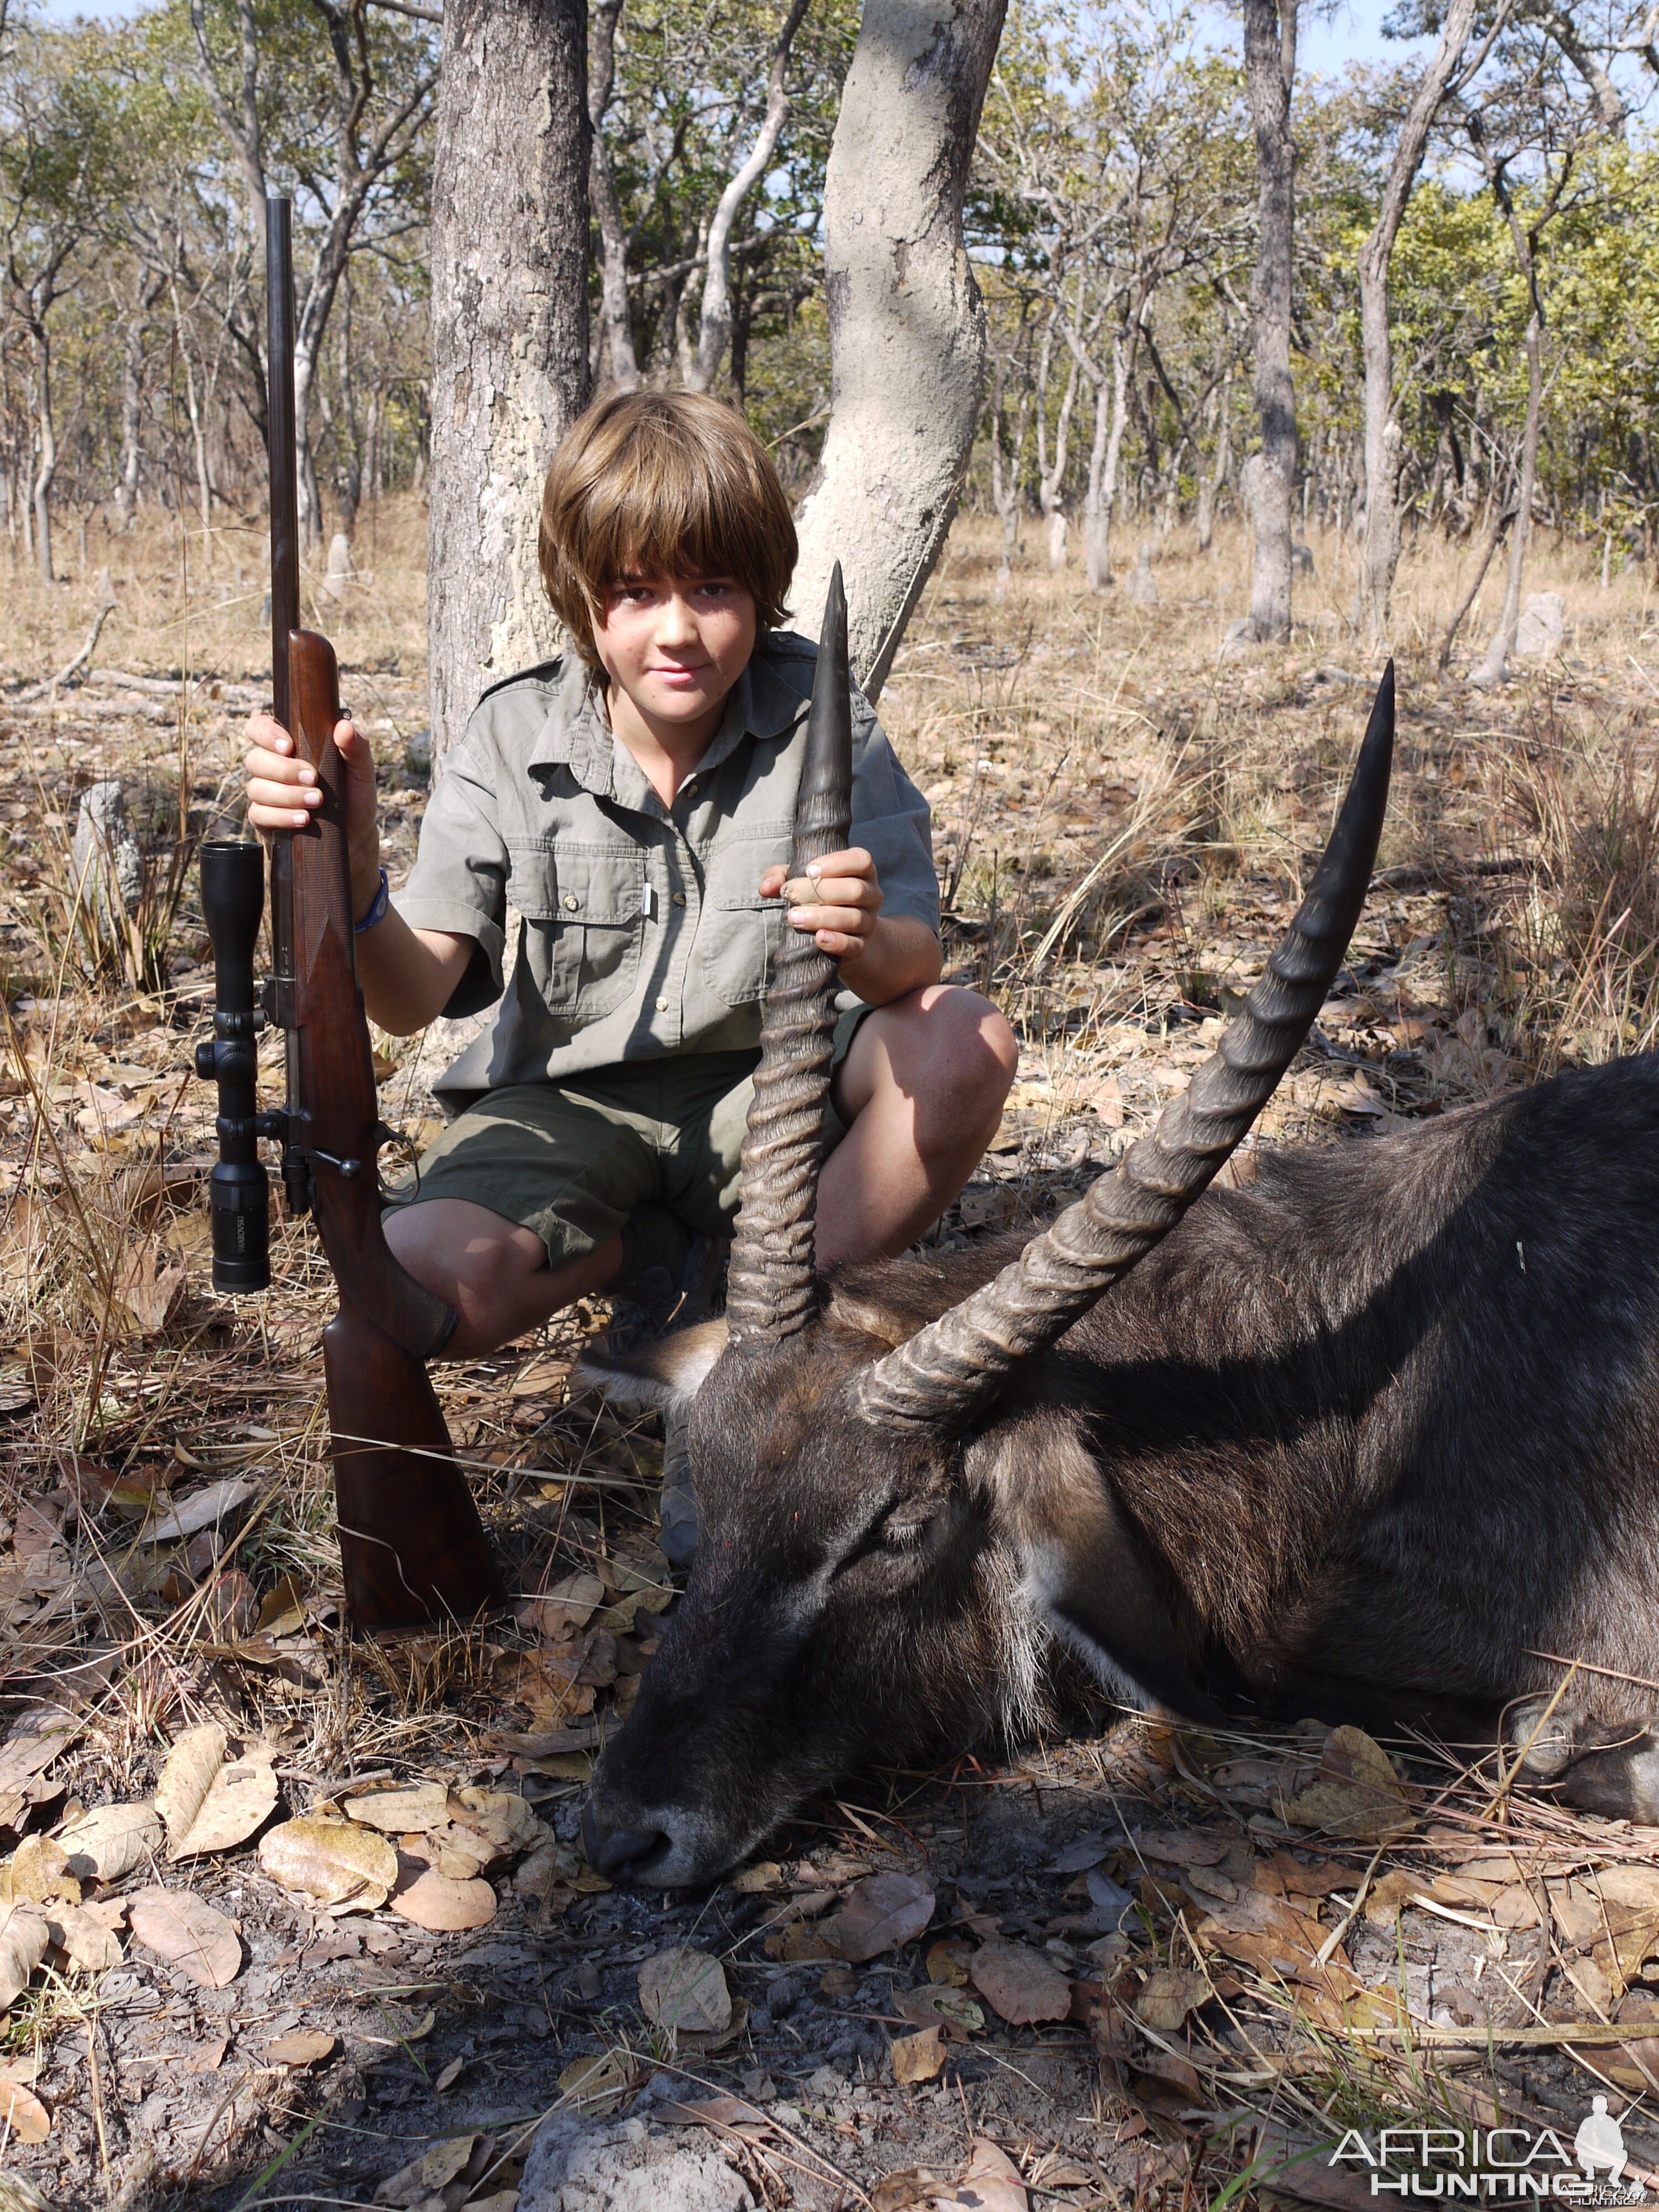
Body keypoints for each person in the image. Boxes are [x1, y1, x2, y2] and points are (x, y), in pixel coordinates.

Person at [243, 391, 1016, 1529]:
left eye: (713, 589)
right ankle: (648, 1254)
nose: (678, 631)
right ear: (584, 599)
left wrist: (861, 935)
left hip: (779, 1097)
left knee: (969, 1043)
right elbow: (412, 997)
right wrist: (350, 870)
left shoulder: (820, 709)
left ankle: (757, 1321)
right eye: (638, 592)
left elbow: (914, 956)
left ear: (760, 587)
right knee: (407, 1282)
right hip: (567, 1112)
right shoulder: (513, 733)